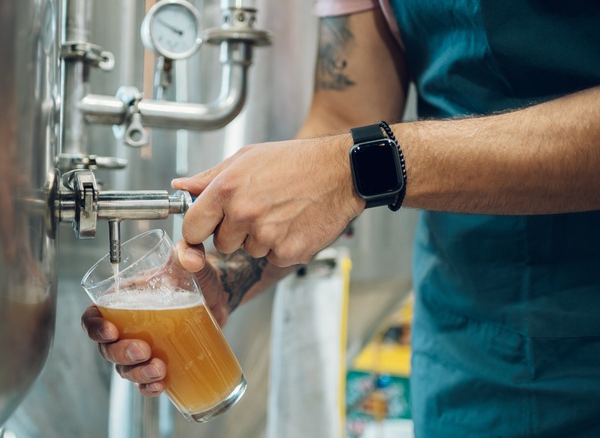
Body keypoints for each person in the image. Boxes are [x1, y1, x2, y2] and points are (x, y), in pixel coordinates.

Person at [83, 0, 600, 435]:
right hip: (471, 344)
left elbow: (349, 156)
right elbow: (348, 109)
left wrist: (357, 166)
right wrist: (229, 275)